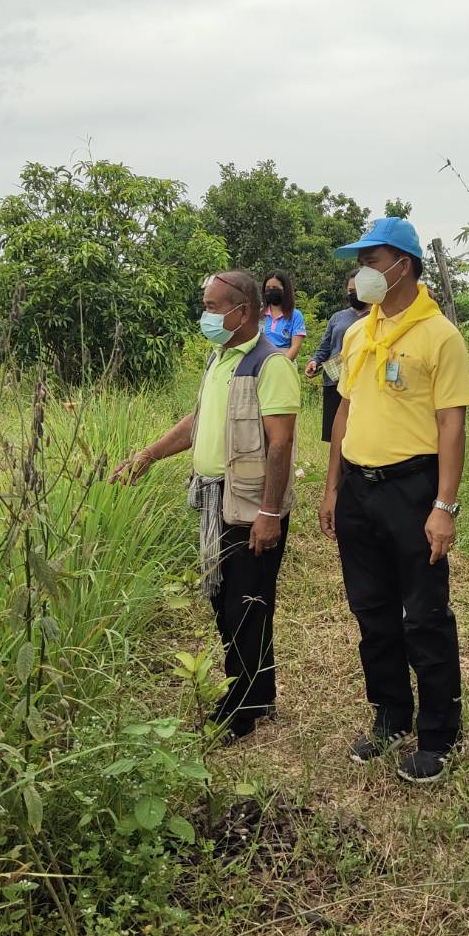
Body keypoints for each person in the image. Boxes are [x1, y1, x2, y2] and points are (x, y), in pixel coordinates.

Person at [112, 270, 300, 740]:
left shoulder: (270, 365)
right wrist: (147, 455)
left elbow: (280, 443)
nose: (206, 316)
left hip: (249, 506)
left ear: (242, 310)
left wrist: (269, 513)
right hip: (216, 500)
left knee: (245, 606)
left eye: (213, 307)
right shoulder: (220, 359)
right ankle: (258, 693)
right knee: (226, 601)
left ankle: (242, 710)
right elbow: (198, 420)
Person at [318, 216, 469, 784]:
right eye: (360, 262)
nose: (362, 272)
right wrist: (333, 487)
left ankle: (440, 733)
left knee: (424, 614)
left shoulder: (439, 336)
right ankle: (390, 714)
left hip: (412, 487)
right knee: (371, 610)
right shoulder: (357, 333)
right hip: (359, 488)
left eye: (372, 261)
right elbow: (344, 410)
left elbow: (451, 424)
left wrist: (444, 506)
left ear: (403, 265)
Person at [305, 271, 369, 442]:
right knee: (335, 434)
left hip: (362, 382)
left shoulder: (376, 317)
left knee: (358, 433)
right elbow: (325, 347)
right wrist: (314, 361)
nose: (354, 294)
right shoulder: (337, 317)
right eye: (350, 291)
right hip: (334, 381)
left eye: (357, 290)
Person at [260, 271, 306, 360]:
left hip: (284, 361)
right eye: (268, 288)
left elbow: (295, 347)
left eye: (275, 288)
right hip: (259, 362)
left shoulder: (295, 316)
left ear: (285, 290)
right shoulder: (259, 314)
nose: (271, 291)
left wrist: (282, 364)